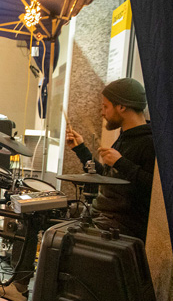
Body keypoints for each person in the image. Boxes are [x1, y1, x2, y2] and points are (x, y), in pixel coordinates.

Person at [65, 78, 155, 241]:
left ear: (121, 106)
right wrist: (80, 149)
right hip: (103, 217)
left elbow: (154, 190)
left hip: (122, 227)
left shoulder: (149, 143)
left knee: (63, 240)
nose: (102, 112)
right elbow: (107, 179)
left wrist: (121, 162)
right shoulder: (124, 138)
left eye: (105, 106)